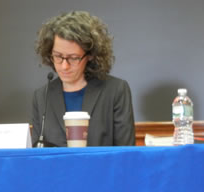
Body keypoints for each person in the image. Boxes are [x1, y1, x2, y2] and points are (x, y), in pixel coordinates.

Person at [31, 11, 135, 147]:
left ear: (90, 55)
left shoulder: (115, 91)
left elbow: (126, 153)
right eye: (57, 56)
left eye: (73, 58)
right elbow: (37, 154)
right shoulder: (42, 96)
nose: (64, 66)